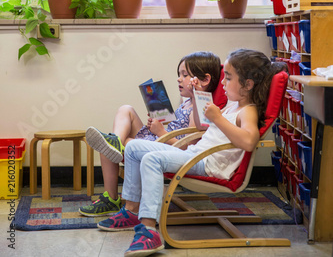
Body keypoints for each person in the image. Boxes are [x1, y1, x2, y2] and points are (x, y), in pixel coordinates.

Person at [93, 49, 286, 257]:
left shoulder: (248, 110)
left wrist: (218, 118)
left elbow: (249, 142)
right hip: (197, 153)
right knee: (131, 148)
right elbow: (203, 128)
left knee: (151, 159)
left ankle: (149, 230)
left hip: (209, 164)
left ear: (248, 85)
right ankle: (131, 211)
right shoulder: (233, 104)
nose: (223, 83)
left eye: (228, 78)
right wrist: (201, 101)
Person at [79, 51, 222, 217]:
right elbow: (177, 129)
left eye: (185, 75)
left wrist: (161, 132)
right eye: (179, 74)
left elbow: (188, 148)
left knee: (107, 148)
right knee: (126, 110)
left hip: (167, 146)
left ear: (204, 79)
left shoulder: (202, 108)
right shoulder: (186, 103)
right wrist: (159, 125)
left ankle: (111, 198)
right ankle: (115, 141)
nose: (179, 79)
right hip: (161, 138)